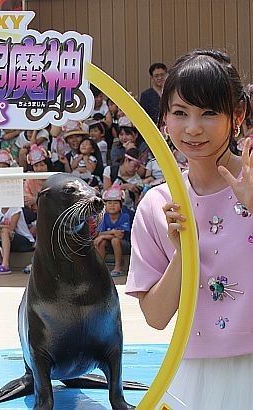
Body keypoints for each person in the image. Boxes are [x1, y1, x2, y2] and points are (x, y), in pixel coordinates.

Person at [125, 49, 253, 409]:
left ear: (237, 115)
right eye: (180, 113)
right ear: (163, 118)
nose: (193, 128)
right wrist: (184, 253)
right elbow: (156, 317)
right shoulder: (157, 205)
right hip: (193, 376)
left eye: (209, 113)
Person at [94, 186, 131, 277]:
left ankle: (118, 267)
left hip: (124, 245)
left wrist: (104, 235)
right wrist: (112, 232)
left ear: (121, 205)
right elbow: (98, 233)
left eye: (115, 203)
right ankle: (100, 268)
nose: (112, 205)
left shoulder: (124, 216)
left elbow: (119, 235)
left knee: (115, 240)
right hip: (109, 245)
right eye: (109, 203)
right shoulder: (103, 217)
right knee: (101, 242)